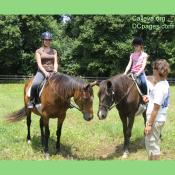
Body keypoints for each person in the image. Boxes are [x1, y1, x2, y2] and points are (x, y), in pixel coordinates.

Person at [145, 59, 170, 160]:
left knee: (152, 146)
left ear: (157, 71)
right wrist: (149, 98)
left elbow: (156, 108)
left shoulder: (160, 87)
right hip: (159, 119)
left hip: (155, 120)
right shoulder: (165, 83)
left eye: (153, 70)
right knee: (154, 143)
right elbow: (158, 100)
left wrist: (149, 124)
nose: (152, 72)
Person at [27, 31, 58, 109]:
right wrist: (45, 72)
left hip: (52, 71)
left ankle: (66, 102)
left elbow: (56, 63)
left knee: (63, 84)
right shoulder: (38, 51)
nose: (47, 41)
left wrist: (55, 70)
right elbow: (39, 64)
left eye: (49, 40)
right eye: (46, 40)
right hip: (42, 71)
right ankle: (32, 101)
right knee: (35, 84)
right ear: (43, 40)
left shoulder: (54, 51)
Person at [124, 37, 149, 103]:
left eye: (137, 46)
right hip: (132, 72)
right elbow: (129, 64)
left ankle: (145, 97)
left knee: (143, 83)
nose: (135, 47)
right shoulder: (132, 55)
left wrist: (138, 73)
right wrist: (125, 72)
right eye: (134, 46)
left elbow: (143, 66)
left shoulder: (144, 55)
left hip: (140, 73)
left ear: (141, 46)